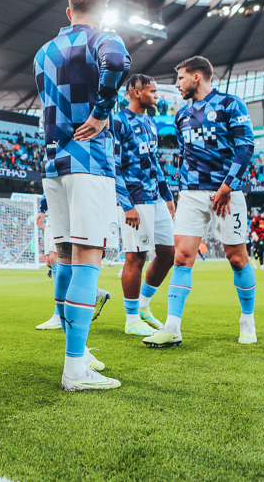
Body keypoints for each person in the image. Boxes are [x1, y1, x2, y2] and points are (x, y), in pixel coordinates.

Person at [33, 0, 129, 391]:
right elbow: (119, 64)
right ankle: (74, 369)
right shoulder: (102, 38)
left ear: (68, 11)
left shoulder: (43, 51)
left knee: (68, 256)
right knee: (89, 256)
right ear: (103, 9)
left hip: (53, 162)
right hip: (89, 159)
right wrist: (103, 110)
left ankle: (80, 349)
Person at [144, 56, 256, 348]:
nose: (177, 84)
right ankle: (172, 327)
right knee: (181, 257)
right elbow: (184, 156)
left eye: (180, 78)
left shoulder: (231, 104)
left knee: (237, 257)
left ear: (197, 77)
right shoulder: (182, 115)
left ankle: (247, 320)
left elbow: (246, 147)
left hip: (226, 192)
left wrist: (227, 186)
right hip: (191, 194)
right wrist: (180, 191)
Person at [111, 74, 175, 337]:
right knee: (136, 257)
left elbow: (154, 162)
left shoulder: (150, 122)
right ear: (136, 92)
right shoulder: (118, 121)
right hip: (134, 198)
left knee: (169, 254)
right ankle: (131, 318)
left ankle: (145, 306)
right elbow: (113, 166)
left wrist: (167, 194)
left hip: (155, 198)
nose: (156, 95)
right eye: (153, 91)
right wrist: (127, 205)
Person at [36, 196, 112, 330]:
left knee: (58, 256)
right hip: (53, 207)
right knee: (50, 259)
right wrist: (43, 208)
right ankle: (93, 293)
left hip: (65, 205)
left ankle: (60, 315)